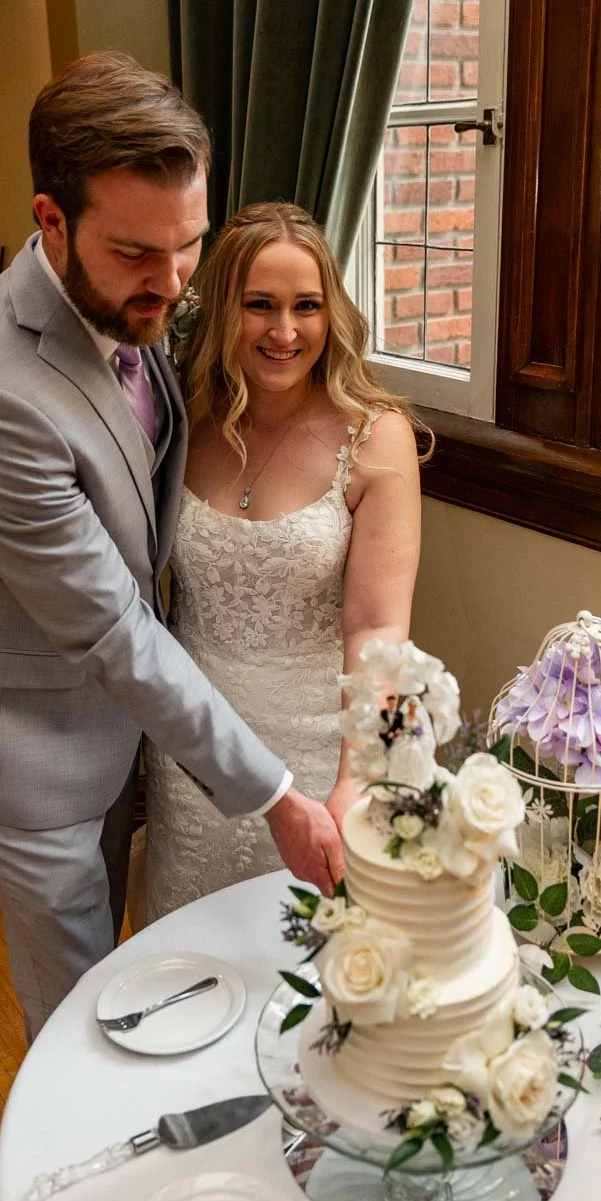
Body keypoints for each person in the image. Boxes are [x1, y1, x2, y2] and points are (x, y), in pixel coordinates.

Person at [0, 53, 342, 1041]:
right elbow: (109, 626)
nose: (174, 281)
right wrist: (274, 794)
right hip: (28, 747)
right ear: (51, 220)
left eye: (187, 245)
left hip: (115, 720)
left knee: (124, 988)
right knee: (78, 1029)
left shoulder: (125, 295)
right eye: (140, 252)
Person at [143, 202, 424, 920]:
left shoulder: (374, 435)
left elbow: (379, 630)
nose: (285, 331)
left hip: (328, 748)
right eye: (259, 306)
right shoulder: (180, 416)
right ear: (220, 311)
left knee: (321, 969)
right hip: (197, 752)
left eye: (308, 306)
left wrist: (361, 777)